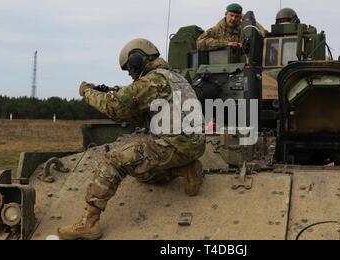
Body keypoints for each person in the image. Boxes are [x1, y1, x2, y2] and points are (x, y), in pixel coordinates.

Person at [57, 38, 206, 240]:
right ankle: (186, 169)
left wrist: (88, 92)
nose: (129, 73)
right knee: (142, 174)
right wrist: (110, 91)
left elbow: (115, 105)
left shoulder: (154, 80)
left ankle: (89, 224)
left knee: (112, 161)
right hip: (193, 145)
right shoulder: (174, 77)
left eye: (129, 68)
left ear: (138, 60)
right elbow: (132, 109)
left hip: (173, 144)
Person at [197, 3, 267, 51]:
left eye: (237, 16)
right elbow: (200, 43)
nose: (233, 19)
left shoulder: (245, 31)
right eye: (231, 15)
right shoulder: (215, 30)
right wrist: (226, 44)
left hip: (240, 68)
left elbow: (264, 34)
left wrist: (248, 18)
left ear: (240, 17)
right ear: (226, 14)